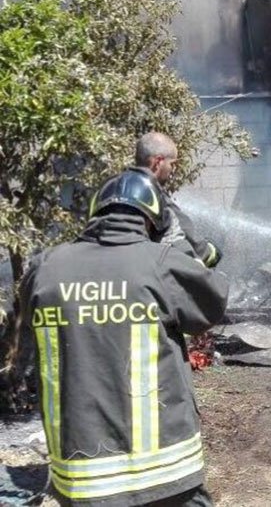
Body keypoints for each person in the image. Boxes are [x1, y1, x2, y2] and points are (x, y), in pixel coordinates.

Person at [19, 169, 229, 506]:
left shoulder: (44, 269)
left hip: (81, 478)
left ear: (94, 215)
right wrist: (179, 250)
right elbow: (212, 304)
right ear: (152, 222)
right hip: (165, 474)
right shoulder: (160, 264)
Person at [133, 132, 221, 268]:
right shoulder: (155, 197)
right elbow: (192, 241)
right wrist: (211, 252)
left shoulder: (116, 189)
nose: (172, 170)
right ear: (158, 162)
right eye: (172, 164)